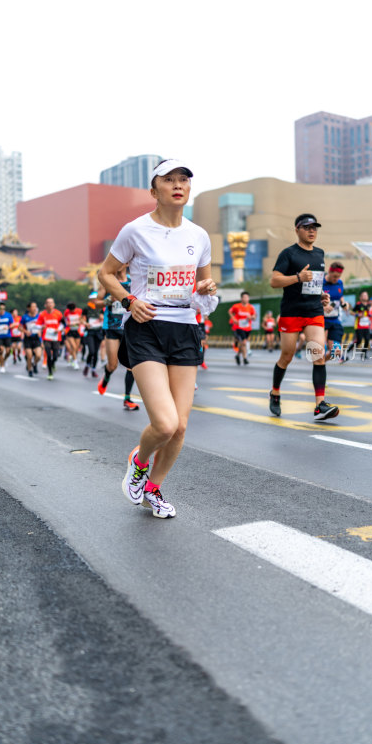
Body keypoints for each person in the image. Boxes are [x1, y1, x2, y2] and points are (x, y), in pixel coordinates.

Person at [98, 159, 217, 518]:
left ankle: (153, 487)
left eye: (184, 180)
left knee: (180, 427)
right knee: (164, 423)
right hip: (146, 327)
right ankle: (139, 461)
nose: (178, 185)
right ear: (155, 191)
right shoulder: (135, 231)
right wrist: (129, 301)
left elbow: (203, 295)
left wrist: (207, 289)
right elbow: (105, 273)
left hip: (184, 329)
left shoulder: (199, 236)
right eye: (169, 180)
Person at [269, 213, 338, 421]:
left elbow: (315, 283)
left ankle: (320, 405)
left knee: (318, 354)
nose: (312, 231)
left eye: (315, 227)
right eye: (307, 227)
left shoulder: (320, 254)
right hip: (291, 312)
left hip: (314, 311)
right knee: (287, 356)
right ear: (297, 229)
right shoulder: (288, 254)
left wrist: (323, 296)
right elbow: (274, 281)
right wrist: (298, 277)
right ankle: (275, 392)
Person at [97, 268, 139, 410]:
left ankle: (127, 398)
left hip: (129, 328)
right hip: (112, 328)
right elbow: (95, 303)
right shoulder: (108, 281)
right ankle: (107, 375)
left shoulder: (133, 280)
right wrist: (109, 300)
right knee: (113, 365)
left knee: (131, 365)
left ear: (127, 263)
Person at [322, 262, 348, 361]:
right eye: (334, 276)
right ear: (329, 272)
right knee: (321, 348)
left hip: (334, 319)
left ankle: (321, 363)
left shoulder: (339, 283)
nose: (336, 279)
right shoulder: (321, 283)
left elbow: (339, 297)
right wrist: (323, 306)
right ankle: (319, 363)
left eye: (339, 277)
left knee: (336, 350)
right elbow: (311, 299)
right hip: (321, 319)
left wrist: (344, 304)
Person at [36, 297, 63, 380]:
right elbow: (37, 325)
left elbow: (63, 324)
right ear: (45, 305)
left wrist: (58, 329)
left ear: (54, 304)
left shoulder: (58, 313)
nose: (50, 304)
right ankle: (50, 372)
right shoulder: (42, 314)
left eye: (51, 303)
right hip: (46, 337)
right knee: (48, 355)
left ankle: (53, 363)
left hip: (56, 337)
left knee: (55, 356)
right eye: (48, 303)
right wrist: (41, 327)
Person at [228, 291, 256, 365]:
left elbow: (254, 316)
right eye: (244, 297)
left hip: (248, 328)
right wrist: (233, 319)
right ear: (241, 298)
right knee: (244, 342)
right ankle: (245, 358)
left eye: (247, 297)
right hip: (239, 327)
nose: (246, 298)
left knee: (242, 343)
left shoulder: (251, 307)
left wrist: (251, 317)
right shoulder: (236, 306)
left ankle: (237, 356)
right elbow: (230, 312)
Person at [20, 301, 42, 377]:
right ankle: (30, 370)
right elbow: (19, 327)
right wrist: (25, 331)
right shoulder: (25, 317)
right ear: (28, 308)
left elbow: (44, 325)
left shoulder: (39, 316)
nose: (34, 308)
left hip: (36, 338)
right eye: (33, 307)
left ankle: (34, 364)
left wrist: (40, 330)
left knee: (38, 355)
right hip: (28, 339)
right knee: (29, 356)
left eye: (35, 306)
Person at [0, 302, 14, 373]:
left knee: (8, 352)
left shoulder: (8, 315)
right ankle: (2, 366)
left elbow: (13, 324)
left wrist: (8, 327)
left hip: (7, 336)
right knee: (0, 350)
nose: (2, 310)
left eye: (3, 309)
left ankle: (4, 360)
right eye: (1, 309)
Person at [351, 291, 371, 357]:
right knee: (359, 341)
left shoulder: (369, 305)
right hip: (359, 326)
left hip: (366, 326)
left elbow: (368, 314)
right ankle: (349, 349)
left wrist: (371, 315)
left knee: (367, 340)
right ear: (360, 297)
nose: (365, 296)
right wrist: (357, 314)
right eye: (364, 295)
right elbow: (351, 312)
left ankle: (363, 353)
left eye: (366, 295)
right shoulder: (358, 304)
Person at [63, 302, 83, 369]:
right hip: (69, 331)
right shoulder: (66, 312)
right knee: (73, 346)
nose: (73, 311)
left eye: (73, 310)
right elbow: (66, 322)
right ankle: (75, 362)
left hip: (77, 331)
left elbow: (81, 319)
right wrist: (72, 323)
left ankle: (71, 356)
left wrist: (80, 322)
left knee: (76, 348)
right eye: (71, 310)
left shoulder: (79, 311)